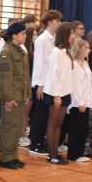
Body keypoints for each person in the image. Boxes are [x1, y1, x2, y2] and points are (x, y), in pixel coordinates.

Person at [29, 10, 62, 156]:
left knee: (47, 115)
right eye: (58, 21)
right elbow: (39, 63)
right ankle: (35, 143)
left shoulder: (55, 38)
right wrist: (40, 85)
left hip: (52, 83)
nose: (59, 24)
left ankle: (43, 141)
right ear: (50, 22)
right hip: (43, 83)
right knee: (40, 114)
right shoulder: (42, 39)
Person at [0, 22, 30, 170]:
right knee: (9, 127)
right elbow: (5, 78)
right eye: (23, 33)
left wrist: (28, 93)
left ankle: (13, 155)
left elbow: (25, 76)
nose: (25, 36)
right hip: (12, 96)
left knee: (17, 127)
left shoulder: (21, 51)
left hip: (21, 95)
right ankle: (5, 157)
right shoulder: (7, 52)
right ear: (14, 35)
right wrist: (8, 97)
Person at [43, 22, 75, 164]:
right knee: (53, 123)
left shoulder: (66, 52)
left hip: (65, 92)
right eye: (72, 33)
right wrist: (56, 95)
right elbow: (54, 74)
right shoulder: (57, 52)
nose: (73, 36)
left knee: (59, 124)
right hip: (56, 93)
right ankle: (51, 154)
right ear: (65, 35)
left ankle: (56, 152)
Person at [65, 38, 92, 163]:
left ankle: (80, 152)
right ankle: (73, 153)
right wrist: (80, 102)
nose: (89, 50)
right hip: (77, 103)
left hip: (86, 101)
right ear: (80, 49)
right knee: (76, 128)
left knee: (84, 128)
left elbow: (89, 84)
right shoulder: (75, 65)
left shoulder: (85, 63)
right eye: (86, 48)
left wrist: (91, 99)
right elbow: (75, 86)